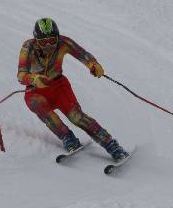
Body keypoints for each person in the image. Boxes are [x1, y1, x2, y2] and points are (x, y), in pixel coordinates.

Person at [18, 18, 129, 161]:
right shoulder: (28, 47)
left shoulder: (63, 42)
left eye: (52, 40)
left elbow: (82, 54)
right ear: (36, 39)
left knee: (76, 117)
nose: (48, 45)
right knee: (35, 104)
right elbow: (20, 75)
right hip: (36, 90)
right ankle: (67, 137)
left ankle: (111, 145)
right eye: (43, 42)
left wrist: (93, 64)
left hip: (58, 87)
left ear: (57, 37)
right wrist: (34, 79)